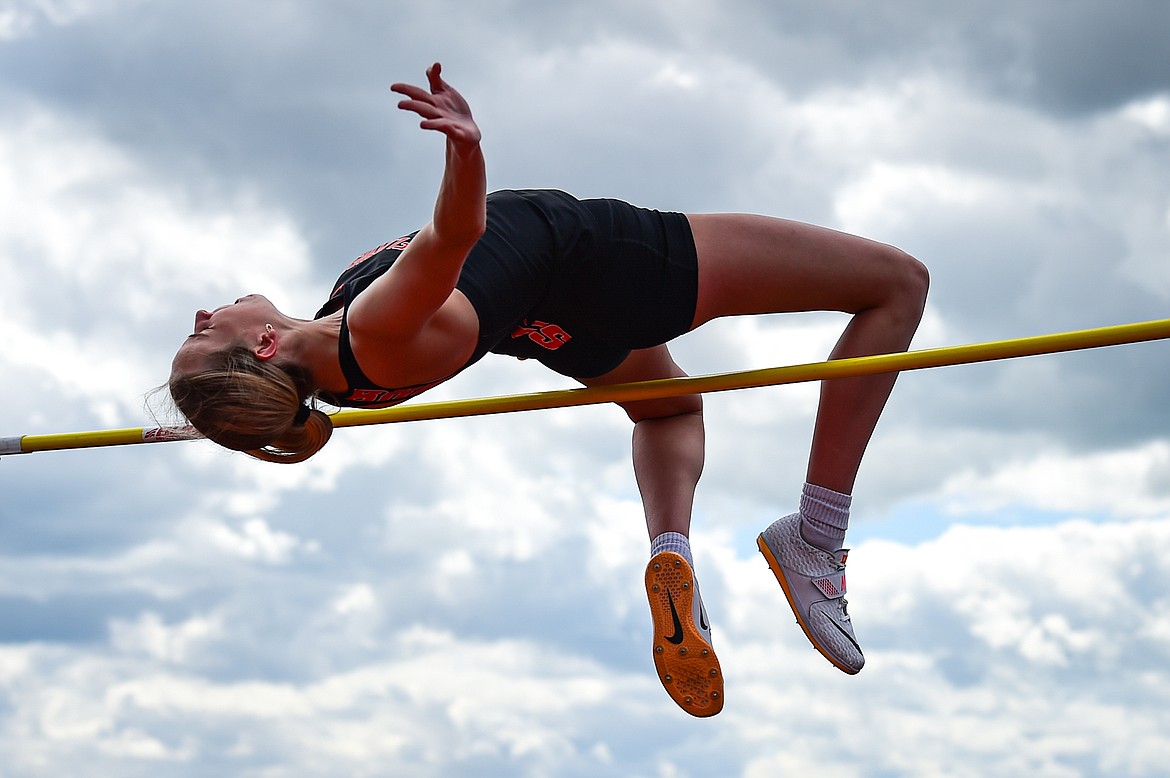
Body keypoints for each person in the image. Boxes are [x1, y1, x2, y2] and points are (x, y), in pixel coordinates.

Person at [169, 63, 929, 717]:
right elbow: (453, 239)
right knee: (895, 284)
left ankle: (672, 551)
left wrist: (223, 416)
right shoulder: (372, 330)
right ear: (263, 348)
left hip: (542, 323)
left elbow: (280, 390)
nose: (203, 314)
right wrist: (466, 152)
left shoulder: (336, 378)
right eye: (204, 333)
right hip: (597, 266)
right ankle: (816, 539)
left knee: (668, 407)